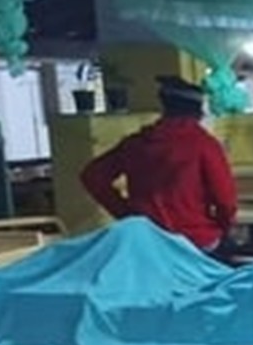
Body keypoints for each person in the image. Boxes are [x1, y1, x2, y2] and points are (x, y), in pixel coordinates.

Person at [81, 76, 238, 252]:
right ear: (198, 112)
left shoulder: (135, 144)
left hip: (147, 241)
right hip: (196, 242)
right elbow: (226, 200)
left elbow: (92, 176)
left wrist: (127, 214)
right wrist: (225, 229)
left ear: (165, 107)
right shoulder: (204, 145)